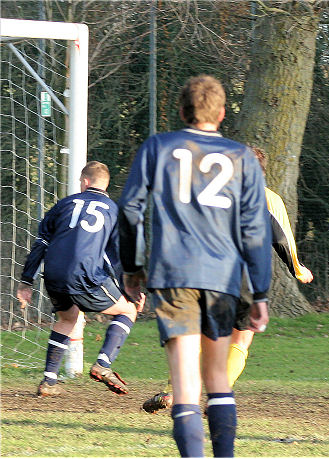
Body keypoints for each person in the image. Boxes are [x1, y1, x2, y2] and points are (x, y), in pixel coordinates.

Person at [118, 75, 272, 458]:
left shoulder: (158, 146)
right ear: (221, 114)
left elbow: (130, 209)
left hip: (173, 274)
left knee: (186, 385)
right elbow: (256, 230)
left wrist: (133, 267)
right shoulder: (241, 157)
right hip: (223, 278)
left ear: (182, 112)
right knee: (218, 378)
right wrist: (261, 291)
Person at [142, 175, 313, 414]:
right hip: (247, 279)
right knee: (241, 339)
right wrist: (296, 268)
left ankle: (174, 391)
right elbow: (281, 238)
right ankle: (218, 397)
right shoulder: (262, 201)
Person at [16, 161, 143, 397]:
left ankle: (49, 382)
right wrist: (130, 289)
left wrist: (26, 282)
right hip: (84, 274)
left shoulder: (63, 204)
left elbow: (41, 243)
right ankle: (103, 364)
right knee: (128, 311)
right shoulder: (113, 210)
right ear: (105, 184)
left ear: (85, 182)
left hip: (53, 274)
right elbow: (116, 255)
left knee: (68, 317)